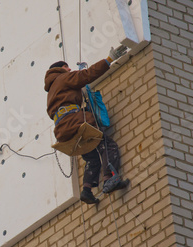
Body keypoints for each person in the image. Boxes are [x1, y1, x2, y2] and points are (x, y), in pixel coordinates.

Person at [44, 46, 130, 204]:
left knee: (92, 156)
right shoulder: (62, 78)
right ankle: (110, 179)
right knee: (106, 144)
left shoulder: (52, 90)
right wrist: (108, 60)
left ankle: (87, 190)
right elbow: (87, 75)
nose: (69, 69)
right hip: (74, 122)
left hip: (64, 130)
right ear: (60, 69)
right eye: (66, 67)